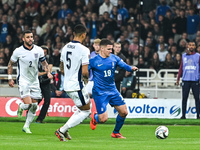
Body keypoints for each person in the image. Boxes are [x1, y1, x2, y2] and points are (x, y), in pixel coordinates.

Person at [89, 39, 138, 139]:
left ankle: (116, 132)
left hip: (112, 90)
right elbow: (83, 71)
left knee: (124, 112)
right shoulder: (93, 61)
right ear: (102, 49)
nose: (111, 51)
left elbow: (123, 65)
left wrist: (130, 68)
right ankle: (95, 117)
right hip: (100, 92)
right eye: (109, 49)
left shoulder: (114, 58)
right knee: (103, 119)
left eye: (111, 49)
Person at [7, 30, 53, 133]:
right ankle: (21, 106)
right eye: (28, 37)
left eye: (31, 37)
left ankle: (26, 126)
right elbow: (10, 64)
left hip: (34, 81)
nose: (30, 39)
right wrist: (10, 78)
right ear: (23, 39)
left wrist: (48, 72)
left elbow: (44, 63)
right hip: (23, 80)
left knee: (35, 105)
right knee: (28, 105)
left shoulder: (39, 50)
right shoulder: (18, 51)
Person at [55, 24, 91, 141]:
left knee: (81, 109)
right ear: (83, 35)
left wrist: (69, 76)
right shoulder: (84, 50)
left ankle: (65, 130)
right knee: (86, 111)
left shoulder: (65, 47)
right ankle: (62, 130)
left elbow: (61, 67)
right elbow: (85, 72)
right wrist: (86, 80)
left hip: (67, 84)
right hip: (77, 85)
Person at [176, 41, 200, 119]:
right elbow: (181, 68)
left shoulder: (198, 56)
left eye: (193, 45)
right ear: (187, 46)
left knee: (197, 98)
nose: (191, 46)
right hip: (185, 80)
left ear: (195, 47)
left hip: (195, 80)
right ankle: (183, 115)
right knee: (184, 98)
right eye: (190, 45)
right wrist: (178, 79)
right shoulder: (184, 56)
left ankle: (198, 115)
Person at [35, 45, 54, 123]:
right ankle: (29, 114)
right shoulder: (35, 60)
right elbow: (37, 73)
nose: (44, 53)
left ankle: (40, 119)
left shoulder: (50, 59)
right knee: (37, 100)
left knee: (47, 100)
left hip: (46, 82)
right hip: (37, 82)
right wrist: (46, 72)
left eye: (45, 52)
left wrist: (45, 72)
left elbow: (48, 69)